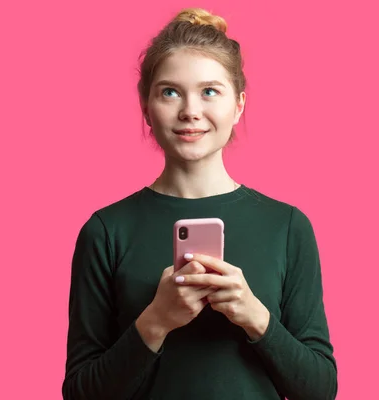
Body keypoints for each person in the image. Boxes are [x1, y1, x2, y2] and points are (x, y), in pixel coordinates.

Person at [62, 7, 337, 400]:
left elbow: (320, 389)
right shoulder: (106, 231)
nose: (190, 111)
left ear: (239, 104)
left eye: (210, 91)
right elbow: (79, 393)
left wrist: (255, 317)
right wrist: (156, 321)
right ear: (146, 106)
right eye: (170, 92)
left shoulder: (288, 226)